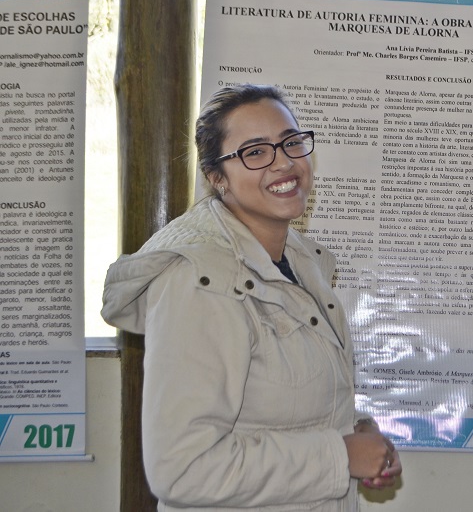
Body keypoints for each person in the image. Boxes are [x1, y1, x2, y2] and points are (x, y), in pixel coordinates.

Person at [101, 84, 401, 511]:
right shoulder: (200, 283)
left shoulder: (300, 262)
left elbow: (280, 402)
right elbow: (182, 469)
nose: (283, 162)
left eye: (291, 142)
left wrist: (356, 432)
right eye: (255, 152)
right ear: (217, 178)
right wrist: (340, 456)